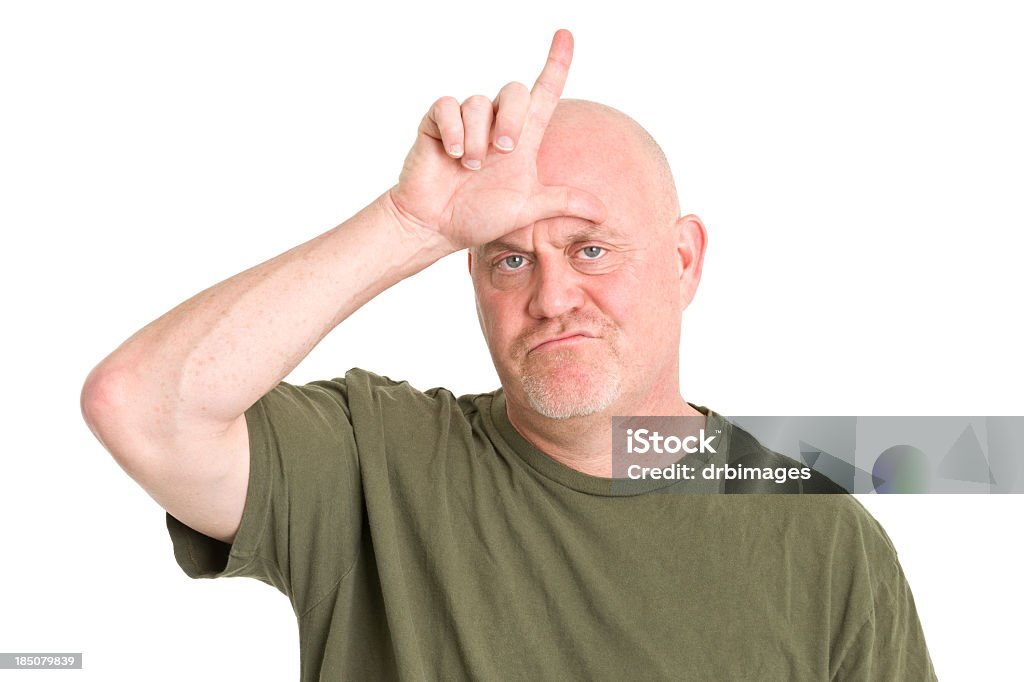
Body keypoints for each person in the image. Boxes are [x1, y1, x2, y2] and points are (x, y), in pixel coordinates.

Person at [80, 29, 936, 681]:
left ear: (684, 260)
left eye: (591, 248)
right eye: (510, 258)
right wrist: (408, 226)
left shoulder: (825, 544)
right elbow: (140, 405)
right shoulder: (374, 460)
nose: (552, 294)